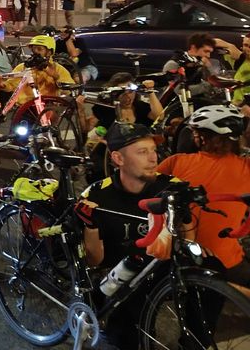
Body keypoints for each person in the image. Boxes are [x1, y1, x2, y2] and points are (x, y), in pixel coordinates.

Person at [75, 123, 184, 348]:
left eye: (153, 150)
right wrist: (91, 226)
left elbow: (187, 234)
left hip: (161, 269)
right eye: (142, 152)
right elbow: (94, 261)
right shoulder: (97, 196)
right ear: (118, 158)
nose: (153, 158)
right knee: (128, 338)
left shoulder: (172, 186)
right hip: (121, 278)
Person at [157, 106, 250, 286]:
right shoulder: (246, 167)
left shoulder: (176, 162)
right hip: (228, 261)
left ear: (202, 138)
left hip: (182, 256)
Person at [1, 35, 73, 105]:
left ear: (49, 52)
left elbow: (68, 90)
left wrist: (56, 77)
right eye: (33, 49)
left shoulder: (58, 69)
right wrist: (2, 85)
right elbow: (11, 85)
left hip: (47, 107)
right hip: (25, 108)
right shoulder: (22, 67)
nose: (35, 52)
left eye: (39, 49)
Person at [163, 33, 220, 99]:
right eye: (206, 51)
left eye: (210, 52)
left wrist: (209, 68)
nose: (208, 55)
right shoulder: (174, 64)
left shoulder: (200, 64)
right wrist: (208, 86)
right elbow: (179, 91)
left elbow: (215, 82)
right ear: (194, 48)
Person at [216, 35, 250, 114]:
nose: (248, 49)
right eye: (245, 45)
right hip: (236, 107)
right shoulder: (241, 60)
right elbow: (217, 42)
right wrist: (230, 46)